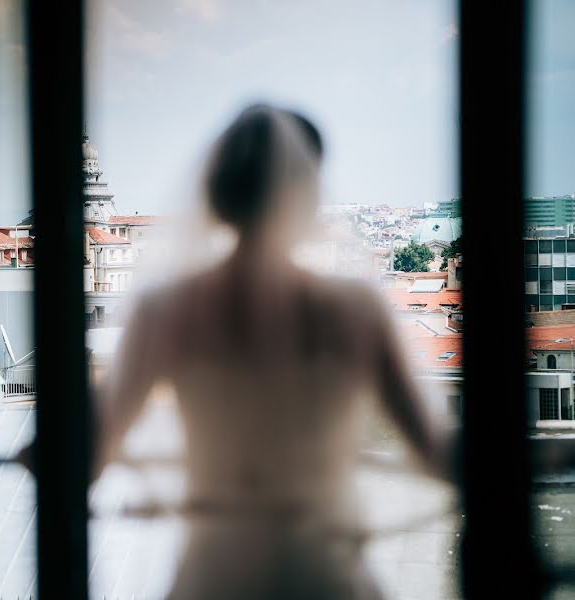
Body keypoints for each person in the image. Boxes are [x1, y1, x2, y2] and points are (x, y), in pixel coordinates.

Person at [93, 103, 457, 599]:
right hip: (325, 567)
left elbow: (98, 447)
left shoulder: (163, 309)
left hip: (216, 570)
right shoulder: (356, 307)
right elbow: (434, 450)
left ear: (216, 193)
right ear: (307, 192)